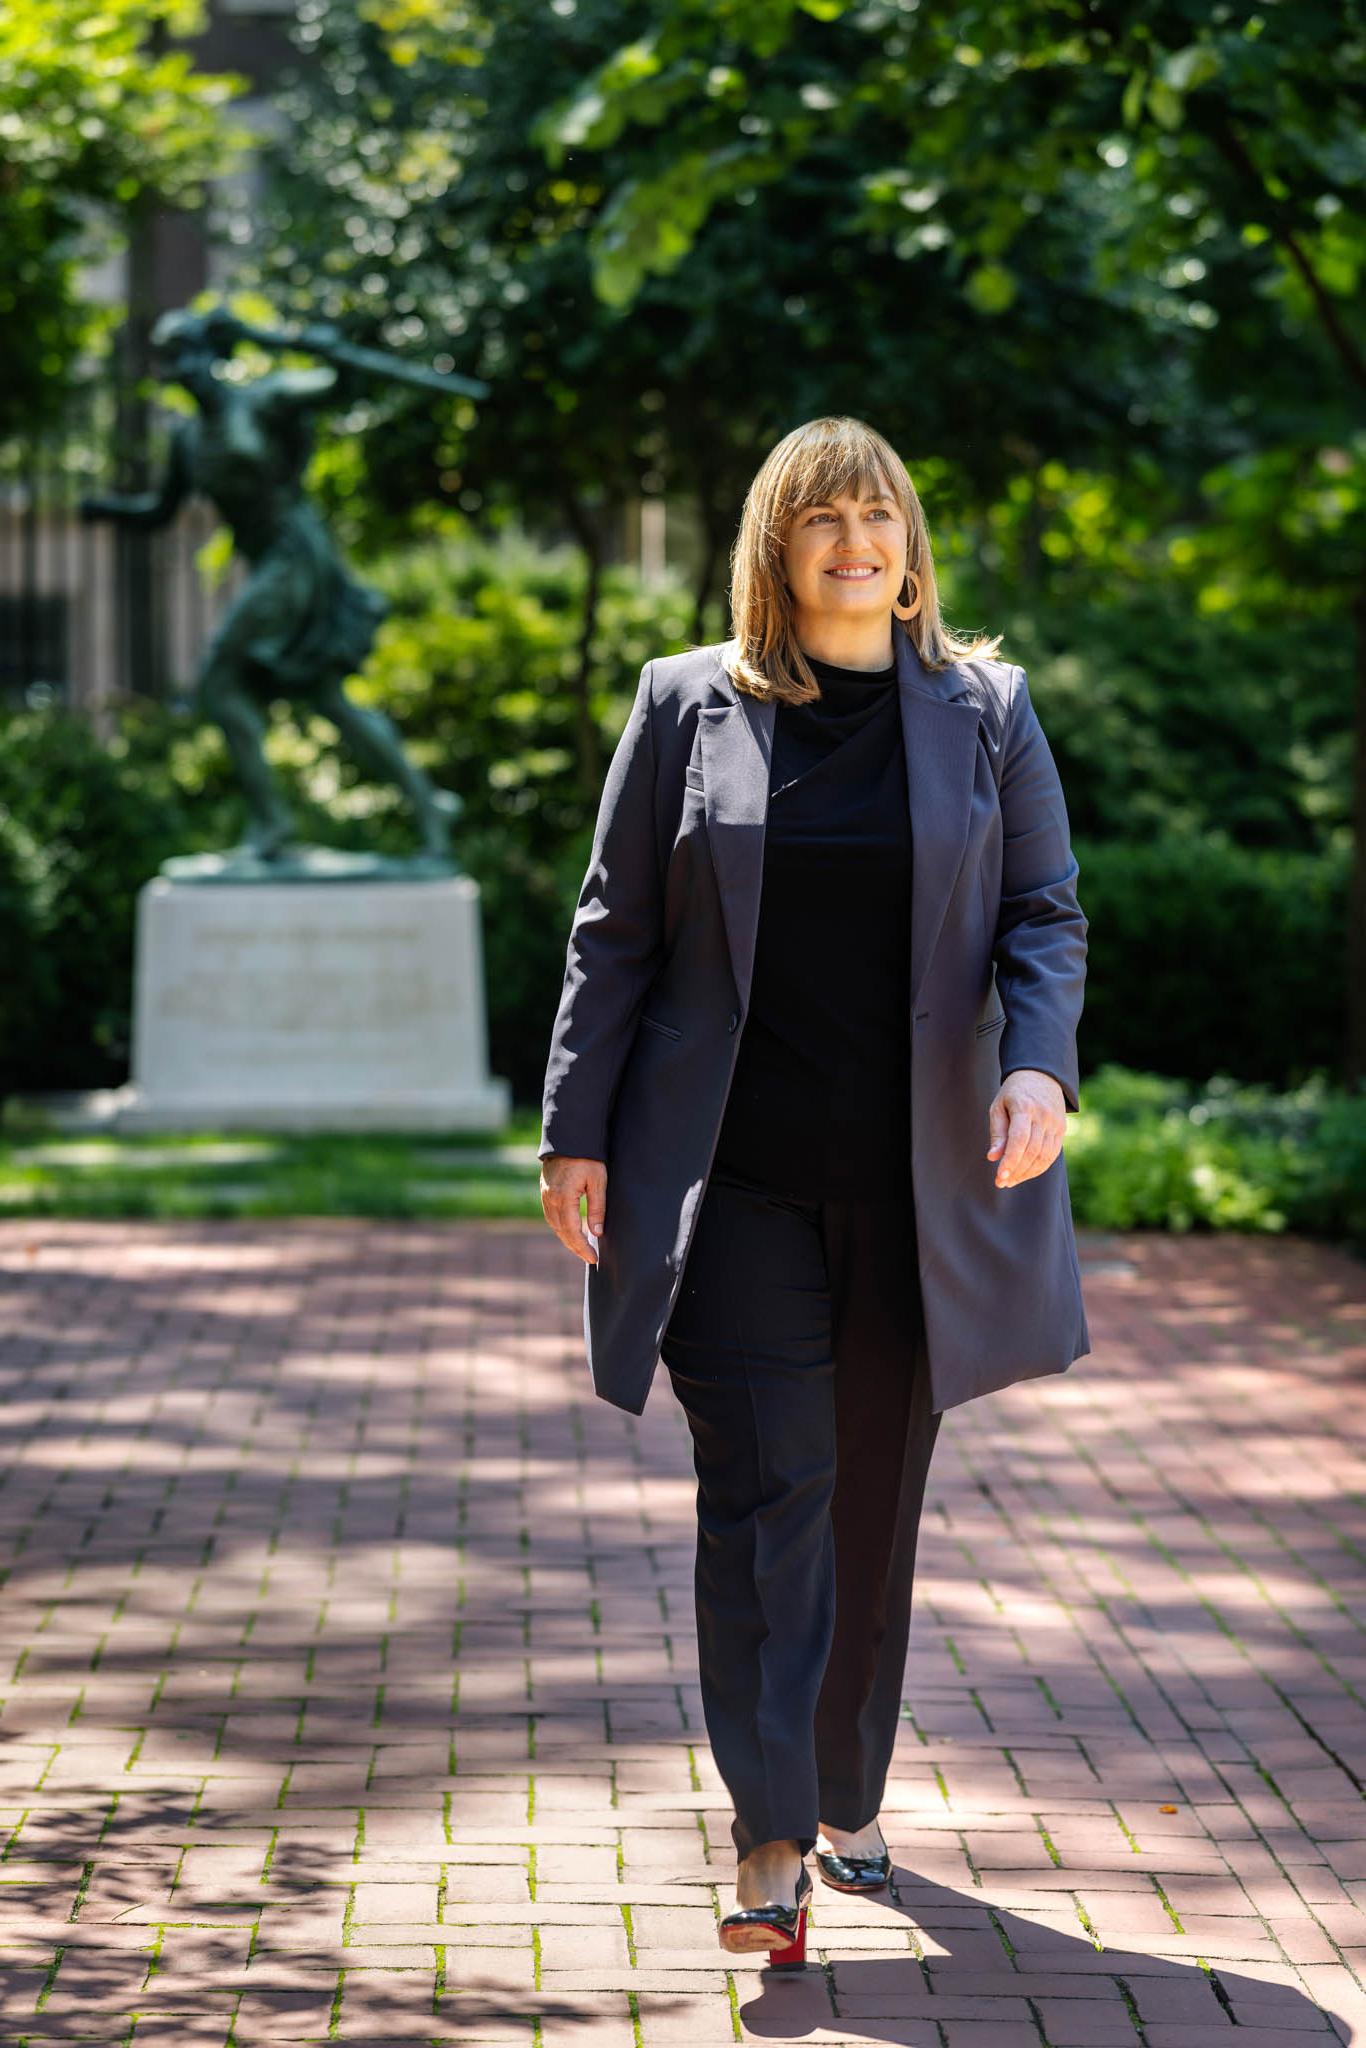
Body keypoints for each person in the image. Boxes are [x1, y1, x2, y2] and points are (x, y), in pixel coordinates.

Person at [538, 415, 1089, 1969]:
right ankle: (771, 1836)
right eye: (819, 520)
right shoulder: (682, 705)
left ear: (909, 546)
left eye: (877, 517)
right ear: (775, 549)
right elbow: (615, 932)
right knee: (764, 1494)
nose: (854, 543)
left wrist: (1037, 1067)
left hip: (919, 1192)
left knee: (866, 1502)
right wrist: (573, 1128)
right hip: (734, 1187)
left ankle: (846, 1788)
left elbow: (1044, 913)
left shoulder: (986, 712)